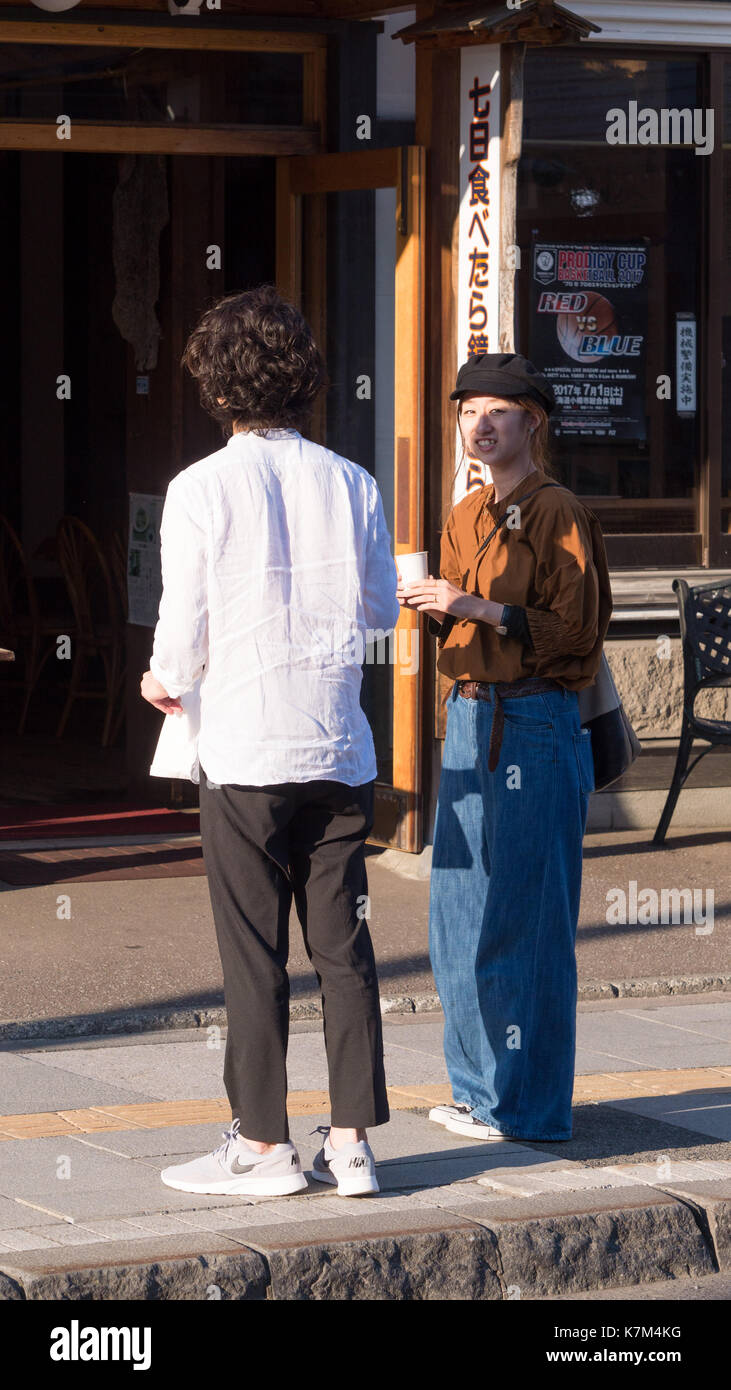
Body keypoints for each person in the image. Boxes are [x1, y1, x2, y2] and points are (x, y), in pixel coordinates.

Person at [140, 285, 399, 1197]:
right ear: (306, 380)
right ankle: (354, 1144)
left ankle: (259, 1146)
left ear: (215, 385)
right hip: (338, 745)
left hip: (246, 745)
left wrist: (161, 680)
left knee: (253, 952)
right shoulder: (354, 481)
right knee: (345, 948)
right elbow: (376, 611)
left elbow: (184, 623)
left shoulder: (200, 487)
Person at [398, 353, 612, 1143]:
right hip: (467, 719)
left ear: (533, 422)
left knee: (525, 921)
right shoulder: (465, 513)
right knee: (455, 915)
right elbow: (460, 615)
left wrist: (477, 607)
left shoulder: (556, 510)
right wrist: (428, 605)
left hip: (534, 722)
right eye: (466, 412)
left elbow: (575, 632)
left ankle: (525, 1107)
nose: (479, 425)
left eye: (497, 411)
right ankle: (478, 1094)